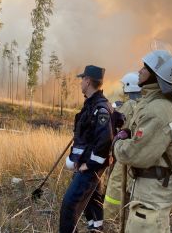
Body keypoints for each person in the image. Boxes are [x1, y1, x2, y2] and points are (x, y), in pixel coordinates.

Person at [113, 49, 172, 233]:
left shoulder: (158, 111)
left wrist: (117, 144)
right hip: (153, 192)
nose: (139, 70)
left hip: (151, 198)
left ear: (156, 76)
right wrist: (129, 131)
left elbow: (134, 154)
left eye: (145, 68)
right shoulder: (158, 105)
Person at [60, 65, 114, 233]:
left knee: (69, 205)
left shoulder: (101, 108)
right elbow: (84, 139)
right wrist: (76, 160)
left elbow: (105, 141)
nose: (80, 82)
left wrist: (88, 165)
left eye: (82, 79)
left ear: (88, 81)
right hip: (85, 164)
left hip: (91, 167)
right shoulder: (91, 105)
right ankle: (96, 229)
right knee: (93, 200)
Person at [104, 72, 141, 220]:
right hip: (137, 153)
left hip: (125, 153)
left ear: (128, 86)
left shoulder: (129, 105)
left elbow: (116, 124)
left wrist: (115, 109)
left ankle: (109, 217)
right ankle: (126, 217)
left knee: (116, 184)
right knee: (131, 186)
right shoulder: (143, 104)